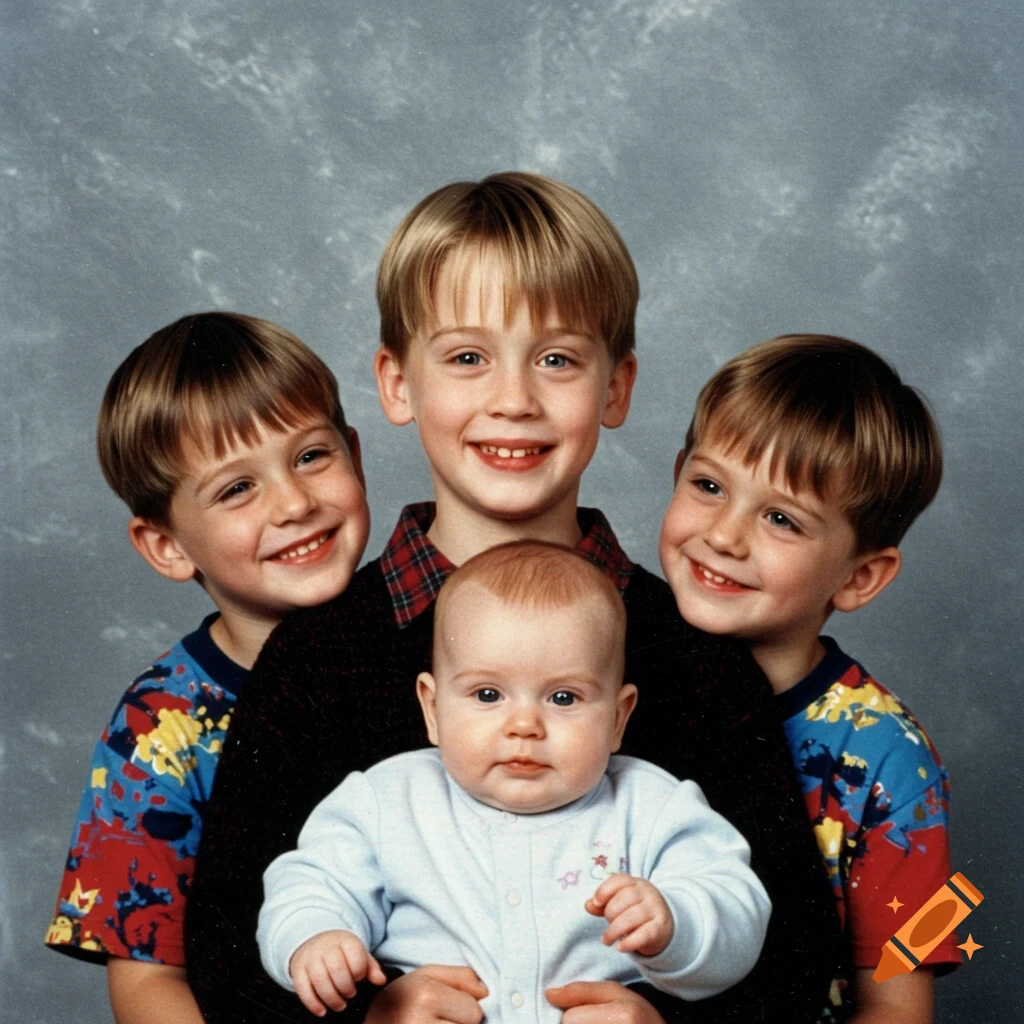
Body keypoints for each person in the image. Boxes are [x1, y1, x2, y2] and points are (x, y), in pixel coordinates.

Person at [187, 173, 837, 1024]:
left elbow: (797, 957)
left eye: (558, 359)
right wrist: (368, 1014)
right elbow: (229, 948)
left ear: (616, 387)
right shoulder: (318, 656)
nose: (514, 399)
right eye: (466, 357)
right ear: (396, 383)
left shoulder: (696, 659)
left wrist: (664, 1023)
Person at [258, 541, 771, 1021]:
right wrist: (316, 937)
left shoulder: (652, 807)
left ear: (618, 718)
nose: (524, 725)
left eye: (563, 698)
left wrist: (675, 922)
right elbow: (310, 883)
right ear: (432, 709)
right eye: (487, 695)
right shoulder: (386, 800)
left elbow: (737, 906)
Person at [44, 313, 370, 1024]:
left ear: (356, 455)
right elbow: (147, 979)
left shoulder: (433, 641)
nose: (294, 503)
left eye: (312, 457)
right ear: (165, 546)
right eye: (235, 490)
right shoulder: (159, 726)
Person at [659, 334, 957, 1024]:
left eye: (780, 519)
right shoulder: (615, 664)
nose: (725, 535)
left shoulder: (896, 760)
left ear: (860, 577)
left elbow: (899, 1007)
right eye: (707, 486)